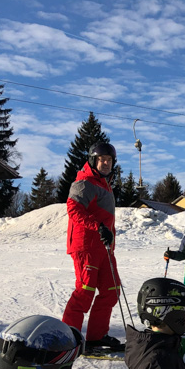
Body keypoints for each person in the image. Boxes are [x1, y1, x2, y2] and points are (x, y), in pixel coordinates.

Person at [62, 142, 123, 352]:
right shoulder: (84, 182)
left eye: (109, 160)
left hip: (104, 248)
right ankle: (68, 338)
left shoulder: (105, 184)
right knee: (85, 291)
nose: (106, 163)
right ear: (93, 160)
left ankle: (96, 337)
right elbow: (73, 209)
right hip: (86, 246)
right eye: (101, 159)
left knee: (111, 290)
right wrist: (98, 226)